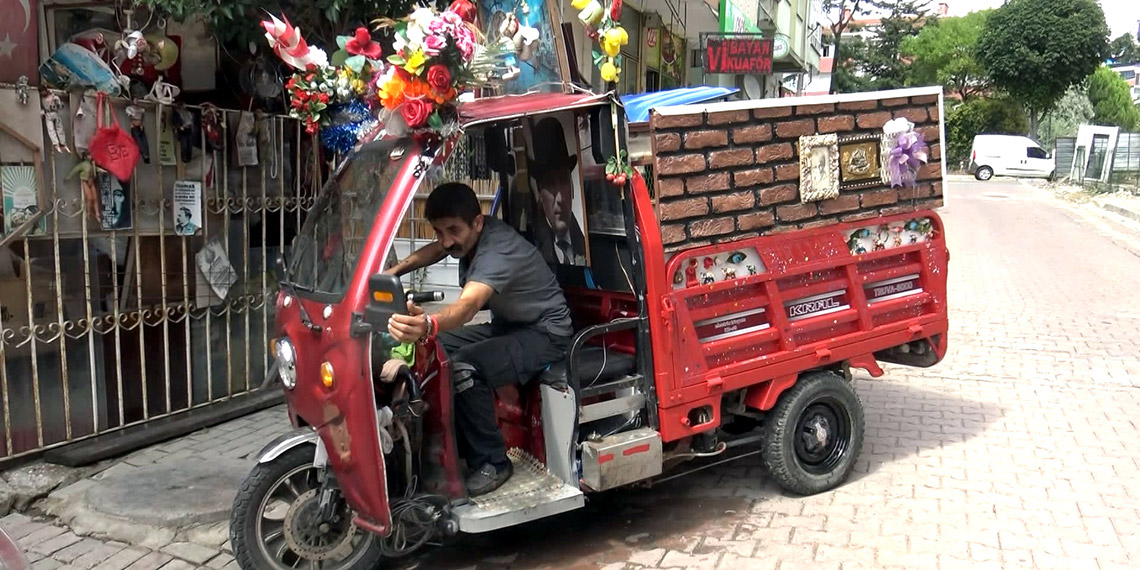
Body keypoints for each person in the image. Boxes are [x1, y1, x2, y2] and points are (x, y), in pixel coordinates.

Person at [385, 182, 573, 496]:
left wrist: (428, 323)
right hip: (509, 326)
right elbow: (436, 249)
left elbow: (468, 306)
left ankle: (493, 462)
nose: (446, 240)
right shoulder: (470, 235)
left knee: (462, 368)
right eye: (438, 230)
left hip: (546, 332)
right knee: (435, 350)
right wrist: (393, 271)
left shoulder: (497, 249)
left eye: (453, 230)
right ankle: (448, 441)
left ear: (477, 222)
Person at [528, 117, 586, 265]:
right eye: (550, 185)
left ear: (572, 187)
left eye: (563, 181)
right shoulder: (531, 251)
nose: (560, 198)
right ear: (540, 193)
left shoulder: (588, 246)